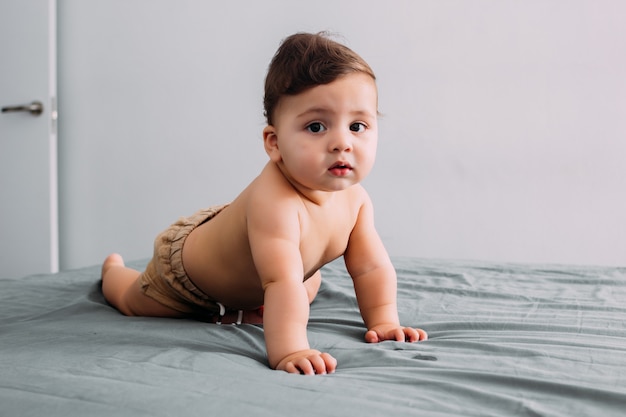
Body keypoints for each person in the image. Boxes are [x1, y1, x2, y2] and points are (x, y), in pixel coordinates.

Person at [102, 32, 428, 375]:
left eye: (357, 126)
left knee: (306, 283)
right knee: (135, 301)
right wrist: (290, 350)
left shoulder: (356, 201)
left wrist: (385, 321)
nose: (341, 142)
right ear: (274, 142)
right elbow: (280, 283)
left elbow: (370, 268)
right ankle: (113, 272)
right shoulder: (276, 202)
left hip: (266, 271)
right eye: (317, 127)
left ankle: (250, 307)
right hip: (188, 275)